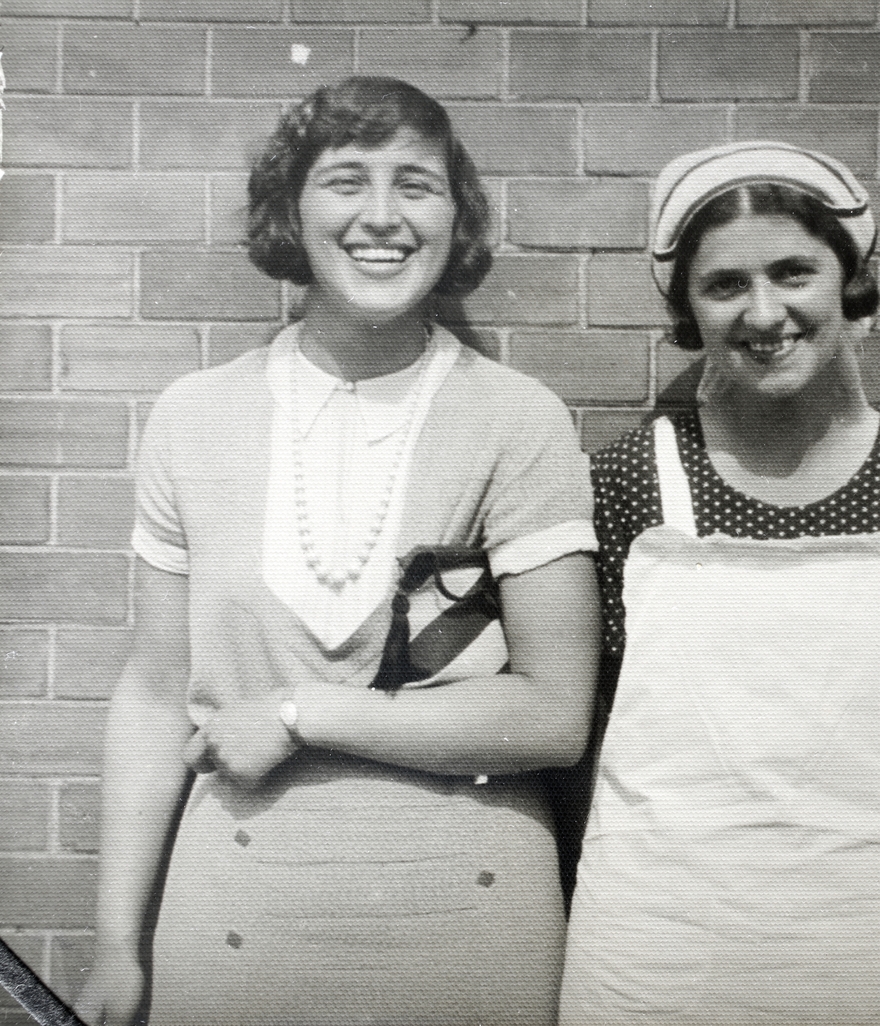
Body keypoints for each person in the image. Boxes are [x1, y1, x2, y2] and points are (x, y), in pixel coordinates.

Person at [72, 77, 599, 1026]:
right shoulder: (194, 418)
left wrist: (297, 710)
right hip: (237, 915)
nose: (382, 216)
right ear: (292, 210)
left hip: (467, 924)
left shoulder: (518, 420)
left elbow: (555, 715)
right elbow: (155, 695)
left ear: (456, 215)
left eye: (417, 185)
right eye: (346, 181)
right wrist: (117, 944)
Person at [558, 140, 880, 1026]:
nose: (766, 312)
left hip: (867, 942)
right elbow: (589, 720)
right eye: (725, 286)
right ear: (686, 306)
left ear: (849, 278)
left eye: (794, 271)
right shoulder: (628, 481)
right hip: (653, 947)